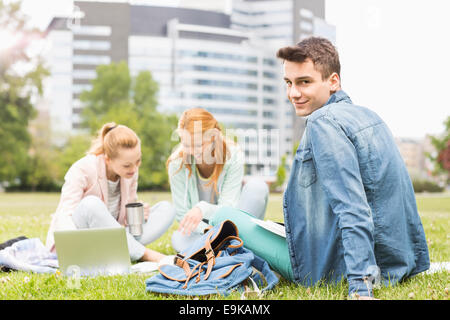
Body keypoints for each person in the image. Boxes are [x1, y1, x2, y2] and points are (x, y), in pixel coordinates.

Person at [211, 37, 430, 300]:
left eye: (305, 82)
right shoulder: (370, 116)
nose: (293, 93)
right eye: (288, 83)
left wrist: (360, 287)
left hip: (340, 268)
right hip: (397, 263)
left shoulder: (322, 122)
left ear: (333, 81)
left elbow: (353, 208)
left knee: (220, 216)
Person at [45, 122, 175, 263]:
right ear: (108, 159)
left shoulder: (130, 173)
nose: (134, 168)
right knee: (91, 204)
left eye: (138, 161)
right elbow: (65, 215)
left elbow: (123, 221)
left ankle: (122, 248)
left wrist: (139, 215)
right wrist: (74, 251)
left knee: (166, 209)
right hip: (82, 237)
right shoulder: (83, 169)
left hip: (114, 236)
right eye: (127, 165)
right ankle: (144, 254)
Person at [166, 108, 269, 253]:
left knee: (258, 187)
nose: (193, 151)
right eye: (186, 145)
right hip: (203, 232)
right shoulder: (177, 163)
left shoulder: (233, 155)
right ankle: (231, 249)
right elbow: (183, 215)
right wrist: (210, 231)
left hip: (233, 224)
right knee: (178, 238)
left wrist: (202, 208)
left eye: (199, 145)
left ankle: (227, 248)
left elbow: (229, 208)